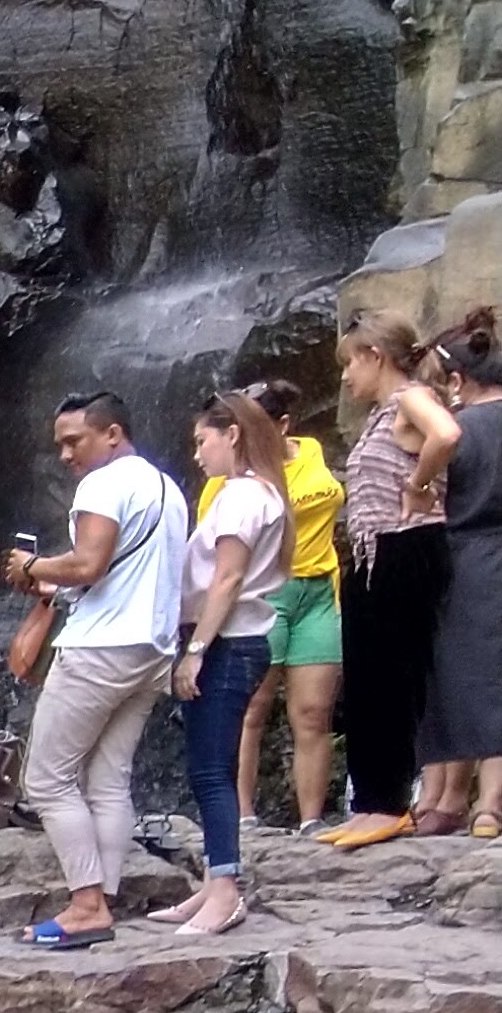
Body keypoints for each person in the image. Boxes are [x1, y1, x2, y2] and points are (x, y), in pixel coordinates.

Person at [0, 389, 186, 946]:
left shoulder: (102, 483)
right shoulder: (167, 488)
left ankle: (84, 906)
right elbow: (114, 573)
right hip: (153, 647)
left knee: (47, 779)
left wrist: (32, 564)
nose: (65, 454)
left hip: (100, 649)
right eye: (59, 444)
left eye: (73, 441)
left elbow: (89, 562)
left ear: (112, 434)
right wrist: (57, 578)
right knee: (107, 780)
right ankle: (105, 899)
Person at [322, 313, 459, 847]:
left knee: (389, 677)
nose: (343, 377)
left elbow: (446, 434)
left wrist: (420, 485)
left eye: (349, 362)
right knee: (366, 676)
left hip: (405, 547)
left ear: (375, 356)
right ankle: (371, 802)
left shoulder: (410, 398)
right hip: (376, 552)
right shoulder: (384, 412)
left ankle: (388, 804)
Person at [167, 392, 284, 936]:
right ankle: (213, 883)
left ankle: (226, 890)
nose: (197, 455)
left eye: (202, 441)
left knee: (213, 772)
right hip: (232, 642)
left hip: (228, 644)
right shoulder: (254, 493)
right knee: (207, 768)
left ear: (232, 434)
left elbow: (228, 578)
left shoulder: (241, 496)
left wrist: (196, 650)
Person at [236, 376, 342, 830]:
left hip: (318, 590)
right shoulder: (232, 476)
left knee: (313, 712)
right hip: (265, 591)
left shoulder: (312, 451)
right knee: (252, 708)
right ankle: (240, 815)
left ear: (282, 425)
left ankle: (311, 819)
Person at [427, 309, 502, 840]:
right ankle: (486, 802)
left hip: (463, 557)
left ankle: (464, 801)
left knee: (466, 678)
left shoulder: (452, 432)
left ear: (457, 381)